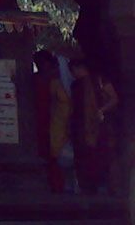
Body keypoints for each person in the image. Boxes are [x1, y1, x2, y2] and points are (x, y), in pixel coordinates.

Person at [71, 60, 119, 194]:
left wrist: (101, 110)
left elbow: (114, 99)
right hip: (84, 127)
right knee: (88, 157)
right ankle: (90, 187)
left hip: (101, 125)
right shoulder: (76, 85)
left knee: (104, 155)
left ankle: (108, 186)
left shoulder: (99, 80)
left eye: (73, 71)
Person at [35, 50, 72, 193]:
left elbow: (65, 102)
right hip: (46, 120)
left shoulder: (57, 81)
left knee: (55, 154)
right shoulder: (43, 79)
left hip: (55, 120)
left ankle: (59, 184)